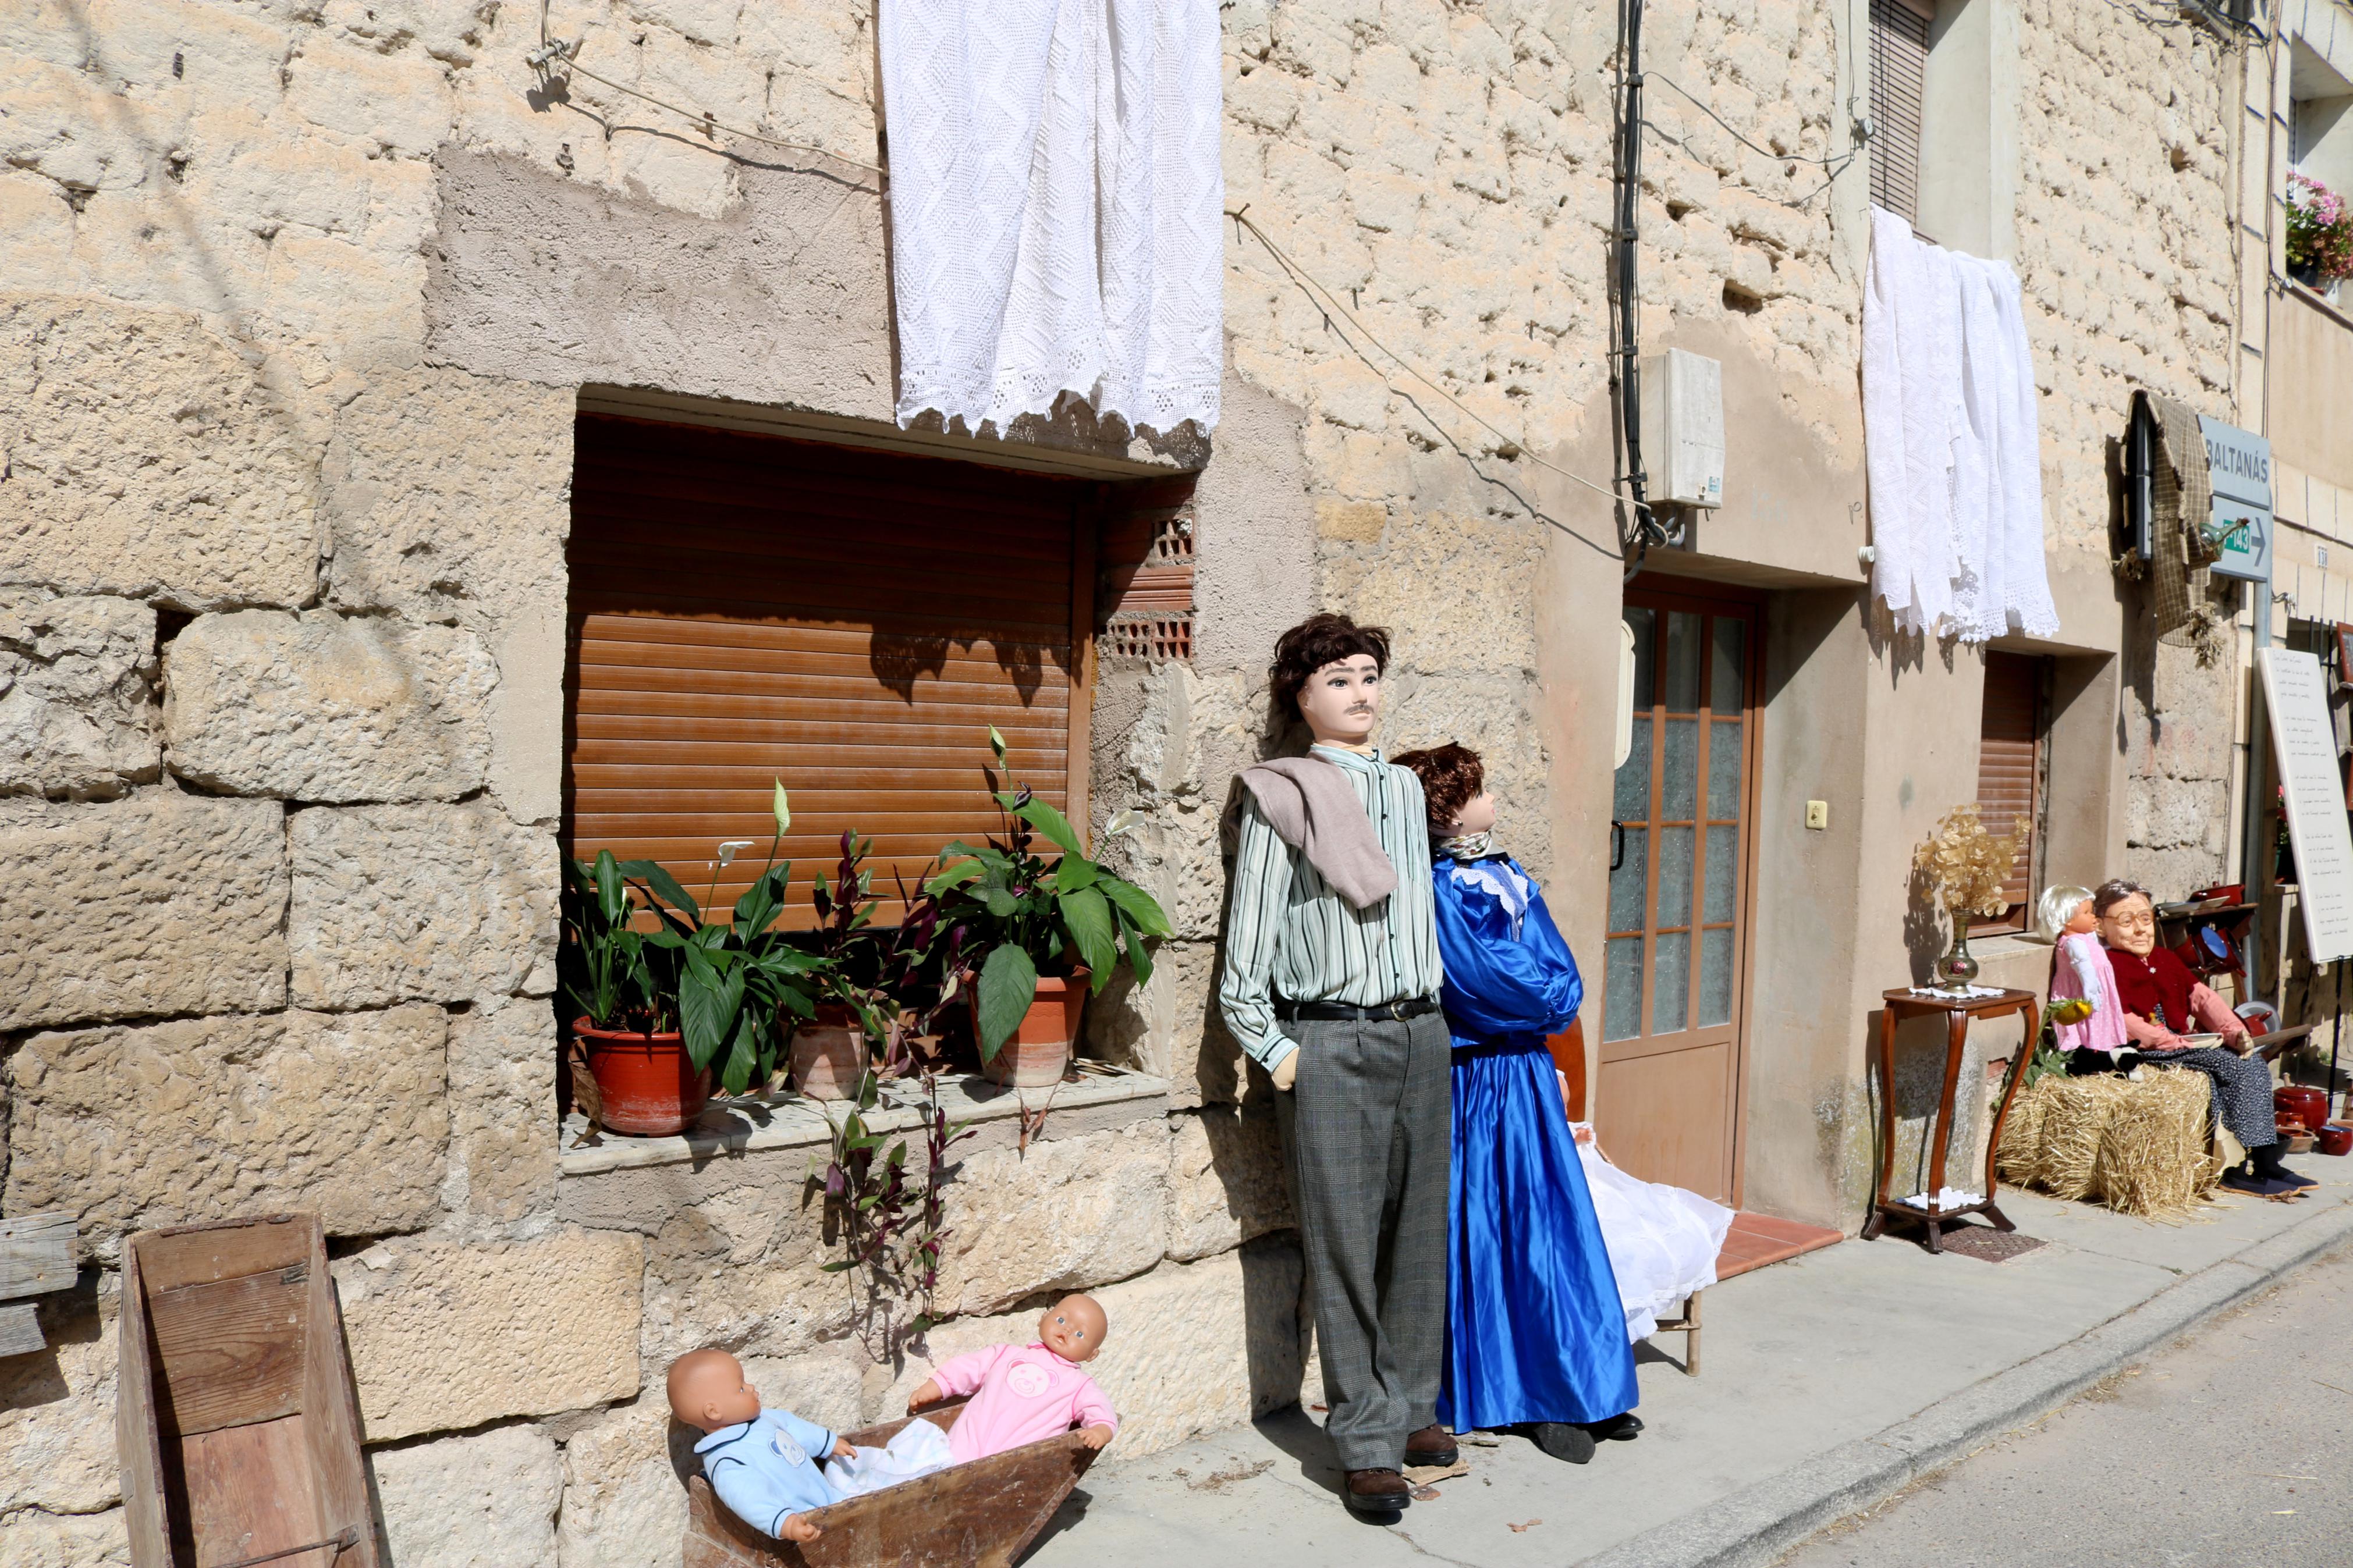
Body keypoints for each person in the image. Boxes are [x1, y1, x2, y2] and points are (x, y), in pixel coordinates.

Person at [1218, 612, 1450, 1520]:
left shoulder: (1402, 787)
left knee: (1417, 1235)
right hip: (1332, 1040)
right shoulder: (1282, 792)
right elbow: (1249, 939)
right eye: (1338, 680)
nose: (1359, 693)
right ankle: (1361, 1438)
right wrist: (1279, 1052)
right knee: (1346, 1244)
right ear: (1301, 698)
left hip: (1422, 1032)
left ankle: (1413, 1408)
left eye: (1367, 675)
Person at [1393, 743, 1641, 1466]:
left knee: (1552, 1224)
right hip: (1478, 1080)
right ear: (1446, 808)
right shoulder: (1441, 889)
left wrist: (1548, 994)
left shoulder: (1502, 873)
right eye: (1480, 789)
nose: (1493, 799)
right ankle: (1522, 1394)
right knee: (1494, 1230)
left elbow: (1558, 972)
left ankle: (1583, 1385)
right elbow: (1502, 985)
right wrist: (1546, 993)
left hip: (1524, 1071)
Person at [2084, 879, 2312, 1195]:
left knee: (2252, 1063)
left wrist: (2233, 1031)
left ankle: (2265, 1160)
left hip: (2183, 1042)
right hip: (2150, 1049)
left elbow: (2201, 998)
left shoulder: (2165, 959)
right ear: (2100, 927)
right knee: (2231, 1068)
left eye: (2146, 919)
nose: (2139, 930)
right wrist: (2168, 1041)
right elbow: (2120, 1018)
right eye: (2126, 921)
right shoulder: (2107, 966)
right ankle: (2234, 1167)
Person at [905, 1294, 1119, 1462]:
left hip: (1019, 1459)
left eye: (1080, 1334)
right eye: (1061, 1320)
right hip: (969, 1440)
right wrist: (936, 1387)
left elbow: (1099, 1407)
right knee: (950, 1462)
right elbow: (969, 1368)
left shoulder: (1079, 1385)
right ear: (1043, 1318)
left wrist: (1101, 1429)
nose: (1067, 1330)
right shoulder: (1007, 1354)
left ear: (1092, 1354)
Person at [2037, 883, 2130, 1065]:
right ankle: (2088, 1056)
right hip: (2084, 992)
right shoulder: (2073, 943)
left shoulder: (2083, 939)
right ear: (2068, 919)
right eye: (2087, 913)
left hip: (2095, 990)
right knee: (2087, 1024)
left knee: (2099, 1021)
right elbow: (2083, 967)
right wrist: (2090, 989)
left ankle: (2103, 1052)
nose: (2093, 916)